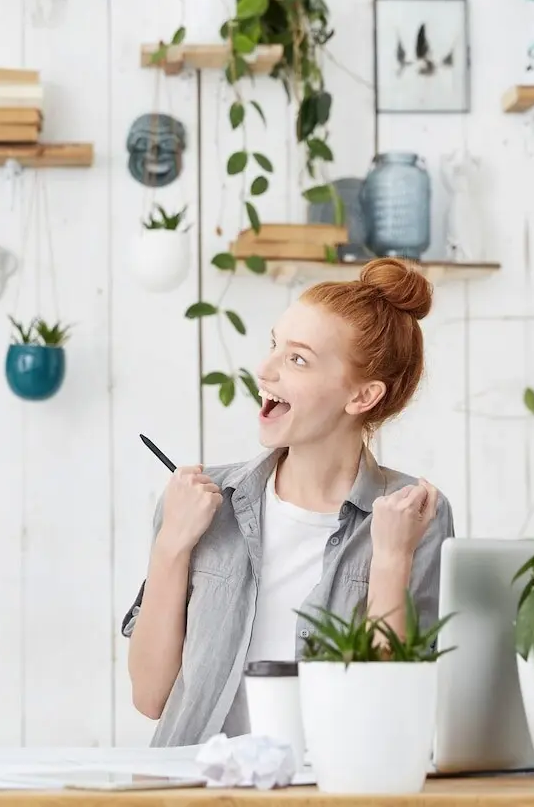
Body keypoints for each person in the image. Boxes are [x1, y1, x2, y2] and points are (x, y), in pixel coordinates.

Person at [122, 257, 455, 747]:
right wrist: (172, 544)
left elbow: (393, 717)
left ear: (362, 395)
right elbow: (151, 697)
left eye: (297, 359)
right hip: (196, 791)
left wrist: (390, 560)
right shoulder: (198, 502)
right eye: (274, 345)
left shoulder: (414, 512)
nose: (264, 369)